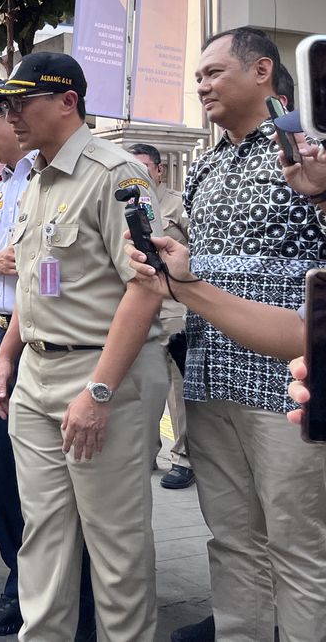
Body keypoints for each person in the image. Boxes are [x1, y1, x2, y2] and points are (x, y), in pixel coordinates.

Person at [131, 31, 326, 635]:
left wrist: (325, 189)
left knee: (297, 548)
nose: (201, 85)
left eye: (213, 72)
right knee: (231, 540)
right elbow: (202, 264)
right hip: (209, 377)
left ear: (262, 71)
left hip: (289, 388)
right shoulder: (207, 166)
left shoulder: (314, 149)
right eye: (196, 76)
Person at [0, 53, 168, 641]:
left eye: (21, 102)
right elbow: (39, 281)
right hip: (37, 375)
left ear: (68, 101)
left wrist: (100, 390)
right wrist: (9, 353)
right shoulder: (38, 179)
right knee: (44, 538)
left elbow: (148, 288)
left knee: (115, 544)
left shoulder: (116, 176)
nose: (11, 115)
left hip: (98, 374)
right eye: (7, 106)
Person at [0, 86, 97, 637]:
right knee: (4, 476)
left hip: (62, 343)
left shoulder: (59, 179)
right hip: (4, 339)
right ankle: (23, 585)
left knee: (63, 488)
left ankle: (75, 600)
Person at [125, 142, 194, 490]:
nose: (137, 173)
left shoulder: (177, 203)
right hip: (139, 308)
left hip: (176, 310)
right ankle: (147, 451)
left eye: (143, 166)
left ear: (158, 169)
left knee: (177, 388)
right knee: (143, 383)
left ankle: (183, 457)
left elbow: (197, 249)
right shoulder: (124, 205)